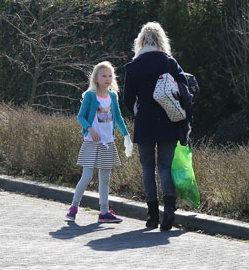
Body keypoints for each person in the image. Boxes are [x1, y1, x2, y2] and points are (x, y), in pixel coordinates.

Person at [121, 22, 192, 231]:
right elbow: (185, 89)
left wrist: (138, 110)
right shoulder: (169, 62)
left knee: (147, 168)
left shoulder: (133, 66)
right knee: (165, 166)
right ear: (162, 40)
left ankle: (152, 214)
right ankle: (169, 210)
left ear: (141, 41)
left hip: (144, 123)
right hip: (169, 121)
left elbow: (127, 98)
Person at [66, 61, 131, 225]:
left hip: (108, 143)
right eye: (104, 76)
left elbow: (118, 117)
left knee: (105, 179)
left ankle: (104, 211)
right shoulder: (90, 96)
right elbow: (81, 117)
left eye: (110, 76)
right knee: (86, 177)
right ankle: (73, 207)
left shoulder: (113, 97)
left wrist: (126, 135)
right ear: (96, 78)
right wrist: (90, 129)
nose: (107, 78)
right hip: (91, 142)